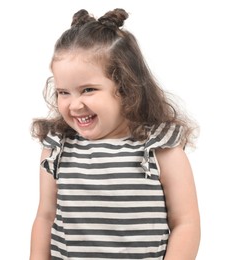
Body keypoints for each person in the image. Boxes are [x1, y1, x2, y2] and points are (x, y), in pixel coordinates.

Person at [29, 8, 200, 260]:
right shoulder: (57, 147)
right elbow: (45, 216)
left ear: (125, 87)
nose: (73, 105)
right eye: (64, 92)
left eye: (88, 90)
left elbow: (186, 223)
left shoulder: (159, 147)